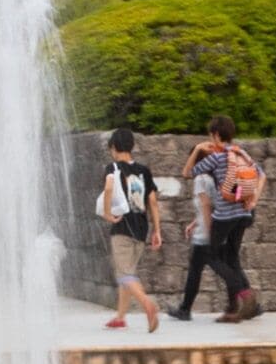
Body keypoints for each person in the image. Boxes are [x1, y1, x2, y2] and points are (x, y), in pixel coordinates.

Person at [175, 114, 263, 322]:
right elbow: (261, 175)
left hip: (225, 216)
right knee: (231, 257)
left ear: (215, 134)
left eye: (210, 135)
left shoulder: (216, 157)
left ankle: (244, 293)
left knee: (212, 255)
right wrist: (254, 200)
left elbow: (187, 172)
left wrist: (197, 149)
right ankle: (235, 306)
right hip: (243, 213)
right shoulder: (242, 153)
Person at [95, 125, 164, 333]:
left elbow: (108, 188)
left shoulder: (113, 168)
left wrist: (107, 213)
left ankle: (147, 305)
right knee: (128, 274)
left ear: (114, 147)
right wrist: (157, 230)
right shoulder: (144, 171)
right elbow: (152, 202)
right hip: (141, 230)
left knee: (124, 274)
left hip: (122, 229)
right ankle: (120, 317)